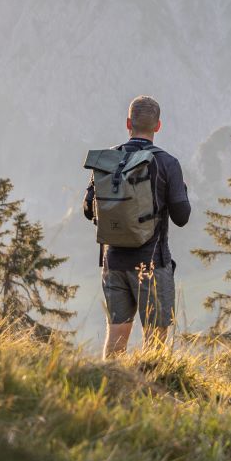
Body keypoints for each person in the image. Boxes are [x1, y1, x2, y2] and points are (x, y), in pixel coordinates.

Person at [84, 95, 191, 358]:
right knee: (155, 342)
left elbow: (88, 210)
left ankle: (110, 390)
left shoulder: (108, 160)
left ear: (128, 123)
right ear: (158, 126)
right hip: (152, 263)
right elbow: (182, 216)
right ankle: (151, 394)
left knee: (116, 335)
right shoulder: (167, 163)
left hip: (113, 262)